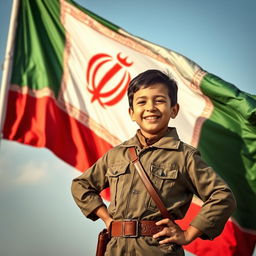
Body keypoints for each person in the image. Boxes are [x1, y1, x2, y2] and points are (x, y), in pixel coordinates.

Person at [71, 69, 236, 255]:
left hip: (158, 250)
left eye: (159, 100)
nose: (150, 107)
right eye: (142, 102)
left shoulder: (184, 156)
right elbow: (81, 185)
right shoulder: (116, 155)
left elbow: (222, 197)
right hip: (115, 249)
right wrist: (107, 219)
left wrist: (188, 234)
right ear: (132, 113)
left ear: (174, 110)